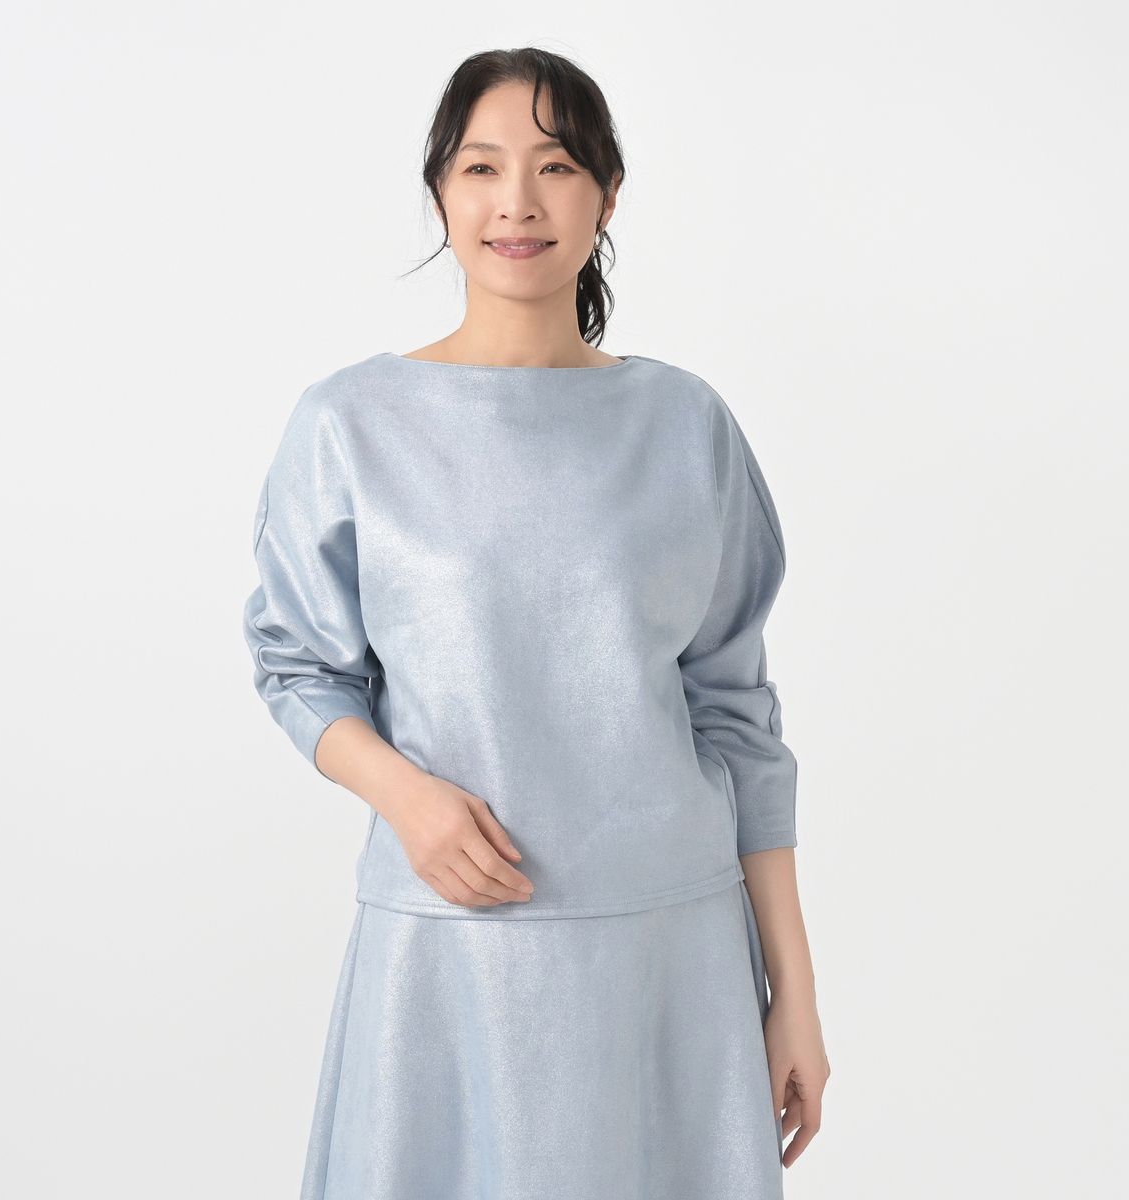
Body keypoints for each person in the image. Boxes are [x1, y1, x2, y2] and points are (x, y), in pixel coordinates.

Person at [243, 46, 829, 1200]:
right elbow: (298, 665)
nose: (517, 200)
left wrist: (793, 993)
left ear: (607, 196)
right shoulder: (351, 423)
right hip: (447, 949)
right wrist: (406, 797)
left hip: (669, 955)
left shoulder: (685, 424)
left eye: (556, 166)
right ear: (441, 192)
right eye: (482, 167)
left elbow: (736, 715)